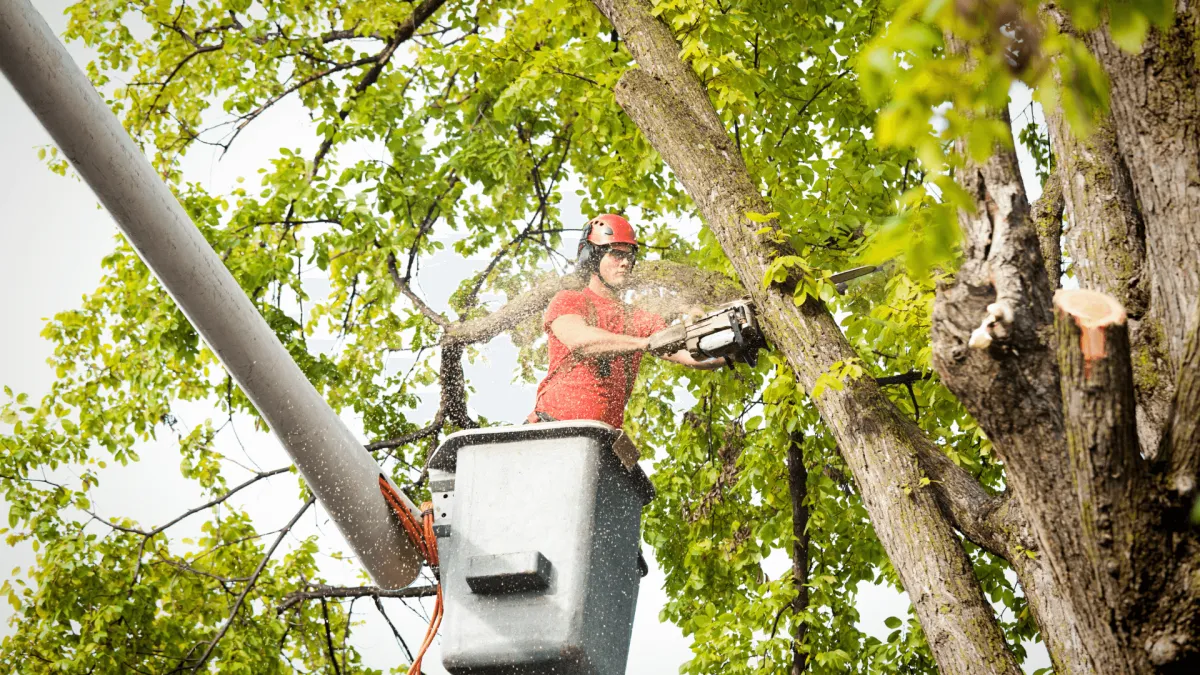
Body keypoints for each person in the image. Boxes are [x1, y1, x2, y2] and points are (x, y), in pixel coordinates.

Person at [526, 214, 726, 427]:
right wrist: (643, 343)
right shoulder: (570, 300)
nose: (624, 263)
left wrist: (729, 348)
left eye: (629, 256)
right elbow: (581, 340)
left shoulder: (640, 319)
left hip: (601, 438)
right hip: (551, 429)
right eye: (616, 254)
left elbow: (691, 356)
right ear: (592, 257)